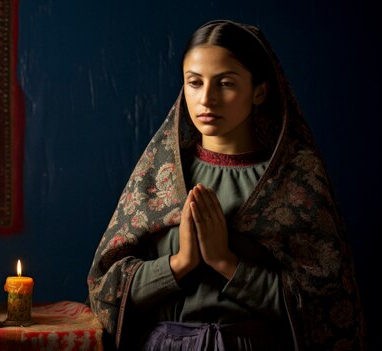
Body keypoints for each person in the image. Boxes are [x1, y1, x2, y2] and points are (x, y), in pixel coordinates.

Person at [87, 20, 366, 350]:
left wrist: (226, 262)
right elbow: (106, 288)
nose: (207, 99)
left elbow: (326, 305)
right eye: (194, 83)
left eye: (226, 84)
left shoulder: (292, 181)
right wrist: (180, 263)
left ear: (259, 91)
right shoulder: (160, 177)